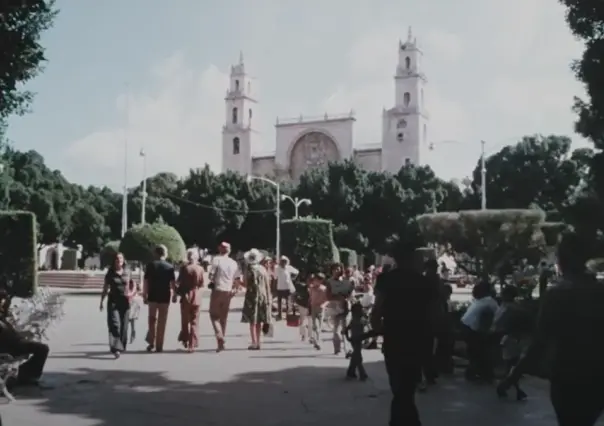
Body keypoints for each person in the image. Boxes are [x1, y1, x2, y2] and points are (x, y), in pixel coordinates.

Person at [499, 231, 604, 426]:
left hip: (567, 376)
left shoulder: (557, 294)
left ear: (562, 259)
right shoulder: (600, 291)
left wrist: (513, 375)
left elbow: (539, 342)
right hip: (597, 377)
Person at [371, 238, 438, 426]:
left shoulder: (385, 280)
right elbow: (433, 315)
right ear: (412, 258)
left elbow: (376, 312)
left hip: (394, 338)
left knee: (399, 387)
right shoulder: (425, 282)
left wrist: (378, 331)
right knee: (407, 387)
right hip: (418, 339)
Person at [0, 290, 49, 386]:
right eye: (2, 300)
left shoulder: (2, 316)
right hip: (10, 348)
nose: (3, 303)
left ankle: (26, 374)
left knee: (40, 346)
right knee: (42, 348)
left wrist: (25, 334)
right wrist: (22, 337)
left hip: (14, 343)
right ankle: (27, 375)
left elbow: (10, 333)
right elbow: (8, 336)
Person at [492, 285, 529, 401]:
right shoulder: (517, 308)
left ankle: (505, 387)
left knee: (510, 366)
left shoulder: (506, 308)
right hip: (517, 339)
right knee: (512, 366)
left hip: (509, 338)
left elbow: (497, 323)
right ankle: (512, 389)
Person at [460, 281, 498, 382]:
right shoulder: (490, 301)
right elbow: (499, 316)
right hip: (474, 330)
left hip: (466, 326)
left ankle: (477, 372)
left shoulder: (479, 301)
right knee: (480, 351)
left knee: (475, 352)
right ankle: (480, 373)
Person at [100, 252, 135, 358]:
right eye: (117, 259)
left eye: (120, 258)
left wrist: (132, 293)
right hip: (113, 302)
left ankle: (121, 345)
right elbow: (105, 288)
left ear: (123, 260)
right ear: (114, 261)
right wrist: (101, 301)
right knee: (115, 325)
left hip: (125, 302)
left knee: (124, 327)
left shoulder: (128, 271)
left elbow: (133, 285)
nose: (119, 260)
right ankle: (116, 348)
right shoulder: (110, 273)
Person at [143, 244, 176, 353]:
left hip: (153, 296)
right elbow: (172, 283)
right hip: (165, 297)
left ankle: (151, 342)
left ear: (156, 253)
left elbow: (146, 282)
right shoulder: (170, 267)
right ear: (165, 253)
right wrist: (175, 294)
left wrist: (144, 295)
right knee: (162, 322)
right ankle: (159, 346)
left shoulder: (150, 265)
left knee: (152, 320)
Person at [208, 241, 240, 352]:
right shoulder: (233, 263)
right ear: (229, 250)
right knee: (223, 317)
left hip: (218, 289)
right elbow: (237, 279)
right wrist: (235, 289)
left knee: (214, 315)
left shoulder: (216, 259)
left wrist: (212, 280)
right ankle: (221, 343)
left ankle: (219, 336)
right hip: (228, 291)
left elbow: (211, 274)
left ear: (220, 249)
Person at [240, 249, 272, 350]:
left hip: (252, 296)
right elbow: (268, 284)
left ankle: (254, 342)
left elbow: (246, 284)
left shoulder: (249, 269)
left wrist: (238, 282)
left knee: (252, 320)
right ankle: (258, 342)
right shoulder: (263, 269)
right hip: (263, 295)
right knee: (259, 320)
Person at [176, 248, 205, 352]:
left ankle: (185, 339)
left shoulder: (184, 268)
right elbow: (202, 283)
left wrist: (176, 293)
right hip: (196, 295)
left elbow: (179, 282)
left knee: (185, 321)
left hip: (186, 296)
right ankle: (192, 344)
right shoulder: (200, 269)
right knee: (194, 321)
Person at [326, 263, 352, 355]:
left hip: (344, 307)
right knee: (336, 330)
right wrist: (337, 298)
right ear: (332, 271)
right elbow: (328, 296)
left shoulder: (345, 281)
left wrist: (347, 298)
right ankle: (337, 348)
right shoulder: (329, 282)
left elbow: (349, 293)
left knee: (345, 330)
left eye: (338, 269)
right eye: (335, 269)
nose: (337, 271)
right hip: (334, 308)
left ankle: (347, 349)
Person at [345, 302, 369, 381]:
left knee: (356, 356)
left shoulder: (356, 319)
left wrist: (347, 337)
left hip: (355, 339)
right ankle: (362, 373)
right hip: (357, 339)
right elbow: (368, 329)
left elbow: (347, 329)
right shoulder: (359, 319)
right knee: (358, 357)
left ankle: (351, 372)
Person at [308, 273, 328, 350]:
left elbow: (327, 300)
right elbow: (310, 297)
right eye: (314, 280)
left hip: (320, 309)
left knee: (319, 326)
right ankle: (316, 340)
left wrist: (323, 305)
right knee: (315, 325)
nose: (315, 282)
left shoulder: (324, 289)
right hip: (313, 308)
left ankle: (317, 341)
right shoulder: (311, 288)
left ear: (321, 281)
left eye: (317, 280)